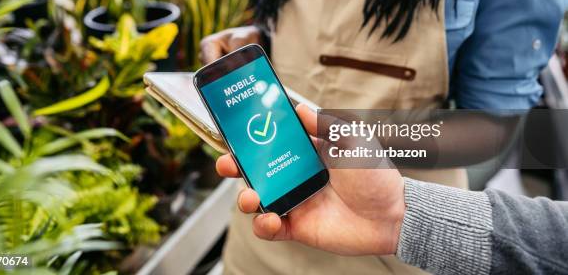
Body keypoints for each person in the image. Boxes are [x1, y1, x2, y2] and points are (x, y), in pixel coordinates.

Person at [200, 0, 567, 273]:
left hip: (396, 237)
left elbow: (491, 129)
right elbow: (310, 36)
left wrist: (345, 142)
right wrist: (256, 36)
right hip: (265, 233)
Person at [215, 104, 568, 275]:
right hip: (274, 227)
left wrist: (360, 140)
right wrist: (261, 31)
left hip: (391, 246)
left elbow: (492, 130)